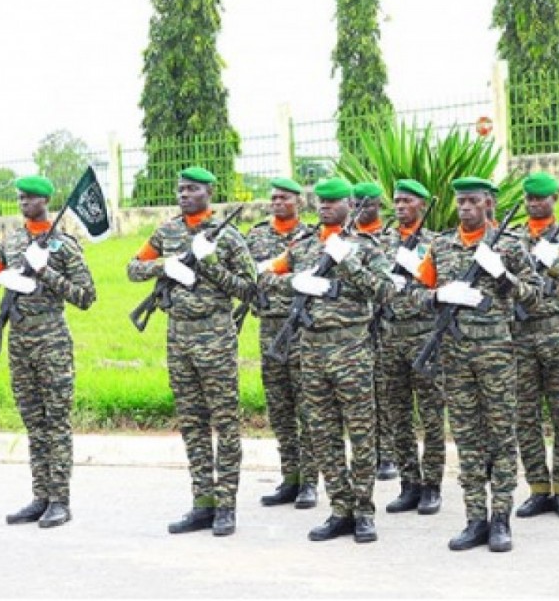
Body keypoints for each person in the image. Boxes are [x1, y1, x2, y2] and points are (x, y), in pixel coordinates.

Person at [407, 176, 546, 553]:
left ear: (488, 204)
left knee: (501, 436)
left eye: (473, 202)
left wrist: (504, 277)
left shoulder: (510, 246)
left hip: (497, 356)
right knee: (467, 439)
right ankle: (474, 518)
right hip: (454, 356)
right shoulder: (441, 246)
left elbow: (536, 297)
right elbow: (412, 294)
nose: (466, 208)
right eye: (461, 202)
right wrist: (438, 295)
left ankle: (501, 517)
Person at [258, 177, 392, 544]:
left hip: (351, 351)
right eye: (321, 203)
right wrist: (296, 283)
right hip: (311, 352)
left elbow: (387, 291)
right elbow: (264, 275)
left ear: (350, 205)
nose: (325, 208)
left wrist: (347, 263)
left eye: (333, 203)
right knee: (323, 434)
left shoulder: (364, 247)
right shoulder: (302, 247)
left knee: (362, 434)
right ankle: (339, 509)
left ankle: (364, 512)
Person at [127, 167, 257, 537]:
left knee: (225, 422)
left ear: (209, 193)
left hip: (215, 336)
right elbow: (133, 268)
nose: (185, 194)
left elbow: (250, 289)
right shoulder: (167, 232)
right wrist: (165, 265)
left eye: (193, 189)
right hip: (178, 338)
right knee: (192, 422)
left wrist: (211, 265)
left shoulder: (228, 237)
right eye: (181, 189)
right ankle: (202, 503)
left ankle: (226, 506)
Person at [0, 175, 97, 528]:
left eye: (29, 198)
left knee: (56, 423)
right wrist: (1, 279)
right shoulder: (10, 243)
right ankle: (40, 497)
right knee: (33, 422)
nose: (23, 203)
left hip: (53, 342)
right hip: (19, 344)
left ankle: (60, 501)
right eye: (20, 198)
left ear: (45, 202)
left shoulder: (65, 246)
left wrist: (46, 272)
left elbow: (86, 297)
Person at [510, 172, 559, 520]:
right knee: (525, 414)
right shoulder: (513, 239)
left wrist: (550, 259)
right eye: (530, 199)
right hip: (521, 332)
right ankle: (538, 488)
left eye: (541, 198)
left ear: (555, 199)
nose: (535, 203)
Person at [244, 177, 319, 509]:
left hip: (303, 328)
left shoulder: (312, 238)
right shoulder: (257, 235)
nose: (276, 202)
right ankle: (290, 477)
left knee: (307, 406)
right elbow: (247, 276)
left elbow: (314, 280)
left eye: (283, 198)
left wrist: (273, 278)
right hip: (270, 329)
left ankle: (310, 481)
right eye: (273, 197)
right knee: (280, 406)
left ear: (298, 203)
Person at [377, 179, 445, 517]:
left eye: (407, 202)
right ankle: (409, 483)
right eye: (397, 202)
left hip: (424, 335)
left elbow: (444, 286)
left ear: (422, 205)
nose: (400, 207)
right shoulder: (382, 243)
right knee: (397, 413)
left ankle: (432, 484)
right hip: (390, 335)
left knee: (431, 413)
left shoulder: (436, 244)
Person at [351, 181, 399, 482]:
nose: (359, 209)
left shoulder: (390, 238)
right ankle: (369, 451)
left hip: (388, 324)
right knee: (363, 392)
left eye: (365, 204)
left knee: (385, 390)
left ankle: (388, 453)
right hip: (357, 326)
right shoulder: (348, 240)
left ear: (378, 206)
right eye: (355, 203)